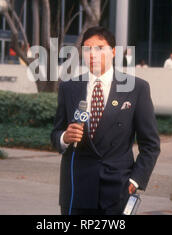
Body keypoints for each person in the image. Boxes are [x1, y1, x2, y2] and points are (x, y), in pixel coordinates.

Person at [51, 27, 160, 215]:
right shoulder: (69, 88)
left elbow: (150, 145)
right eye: (87, 49)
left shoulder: (136, 89)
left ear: (113, 51)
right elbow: (56, 133)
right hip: (76, 189)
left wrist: (135, 181)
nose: (92, 54)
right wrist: (64, 137)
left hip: (117, 190)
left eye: (99, 48)